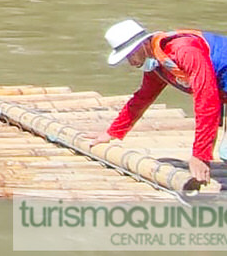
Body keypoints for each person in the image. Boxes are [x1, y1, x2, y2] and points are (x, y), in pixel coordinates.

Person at [91, 19, 227, 185]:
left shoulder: (185, 51)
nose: (131, 63)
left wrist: (200, 155)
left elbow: (206, 100)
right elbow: (142, 98)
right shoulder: (159, 65)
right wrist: (112, 132)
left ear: (143, 45)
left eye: (131, 55)